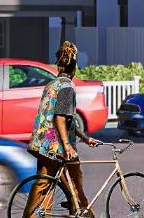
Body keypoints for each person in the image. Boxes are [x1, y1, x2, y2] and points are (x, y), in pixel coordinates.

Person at [24, 41, 101, 218]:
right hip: (56, 147)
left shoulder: (52, 84)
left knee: (43, 185)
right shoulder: (67, 87)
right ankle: (82, 213)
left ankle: (33, 215)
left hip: (43, 145)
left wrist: (84, 137)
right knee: (74, 181)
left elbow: (68, 119)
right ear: (74, 67)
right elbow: (59, 117)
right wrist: (67, 147)